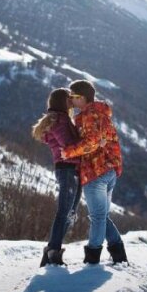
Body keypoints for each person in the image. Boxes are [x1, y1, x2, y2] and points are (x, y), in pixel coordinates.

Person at [60, 80, 128, 265]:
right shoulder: (101, 113)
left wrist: (69, 151)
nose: (71, 101)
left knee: (97, 217)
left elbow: (92, 141)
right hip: (109, 170)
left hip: (95, 172)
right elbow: (107, 140)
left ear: (82, 97)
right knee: (102, 216)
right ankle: (119, 253)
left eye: (73, 97)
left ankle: (93, 259)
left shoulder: (89, 115)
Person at [31, 88, 83, 266]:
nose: (72, 101)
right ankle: (53, 251)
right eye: (69, 99)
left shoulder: (60, 119)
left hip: (71, 169)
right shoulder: (59, 121)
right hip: (68, 169)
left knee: (70, 213)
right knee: (64, 212)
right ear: (63, 101)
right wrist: (88, 145)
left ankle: (51, 252)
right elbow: (68, 146)